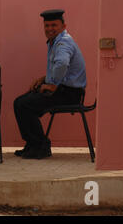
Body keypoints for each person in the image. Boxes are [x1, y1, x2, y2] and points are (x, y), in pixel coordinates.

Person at [13, 9, 87, 159]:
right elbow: (59, 68)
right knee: (21, 102)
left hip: (68, 94)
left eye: (54, 25)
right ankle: (33, 144)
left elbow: (62, 63)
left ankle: (41, 146)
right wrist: (45, 79)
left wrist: (52, 84)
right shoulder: (56, 41)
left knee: (24, 105)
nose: (49, 29)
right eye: (47, 26)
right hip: (65, 90)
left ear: (63, 26)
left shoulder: (63, 42)